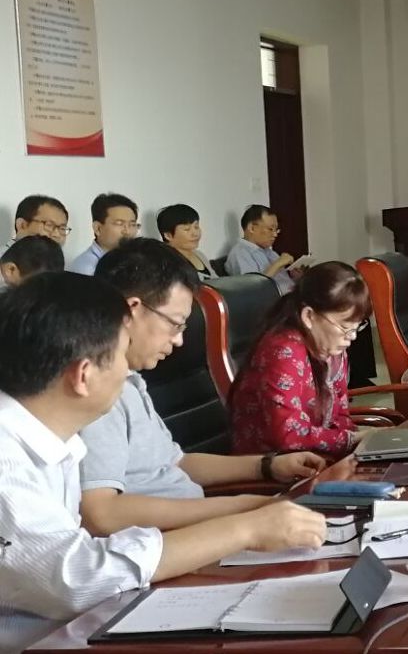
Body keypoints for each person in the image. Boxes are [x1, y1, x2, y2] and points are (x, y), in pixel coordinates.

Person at [0, 273, 327, 652]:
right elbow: (77, 578)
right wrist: (245, 529)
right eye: (121, 354)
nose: (126, 370)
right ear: (83, 375)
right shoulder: (8, 462)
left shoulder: (55, 439)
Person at [77, 239, 327, 538]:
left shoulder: (131, 380)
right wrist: (241, 510)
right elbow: (101, 514)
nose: (179, 340)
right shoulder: (97, 392)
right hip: (171, 542)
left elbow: (177, 463)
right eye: (176, 324)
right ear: (132, 309)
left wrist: (268, 466)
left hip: (199, 528)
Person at [230, 262, 371, 458]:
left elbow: (341, 415)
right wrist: (350, 439)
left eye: (357, 327)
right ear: (309, 316)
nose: (352, 337)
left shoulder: (332, 347)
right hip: (273, 466)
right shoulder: (282, 352)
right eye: (345, 327)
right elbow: (288, 436)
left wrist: (358, 443)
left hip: (317, 458)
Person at [224, 204, 304, 294]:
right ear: (252, 228)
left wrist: (294, 278)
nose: (275, 234)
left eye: (276, 230)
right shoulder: (240, 253)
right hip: (279, 301)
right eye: (271, 229)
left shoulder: (270, 252)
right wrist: (278, 264)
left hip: (293, 295)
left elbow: (282, 281)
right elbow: (252, 289)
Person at [67, 193, 139, 276]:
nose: (127, 231)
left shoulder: (133, 260)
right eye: (119, 223)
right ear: (98, 228)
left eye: (132, 224)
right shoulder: (86, 269)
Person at [157, 203, 219, 279]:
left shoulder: (199, 255)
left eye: (196, 227)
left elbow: (217, 281)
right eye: (187, 229)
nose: (195, 234)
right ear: (168, 235)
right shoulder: (166, 264)